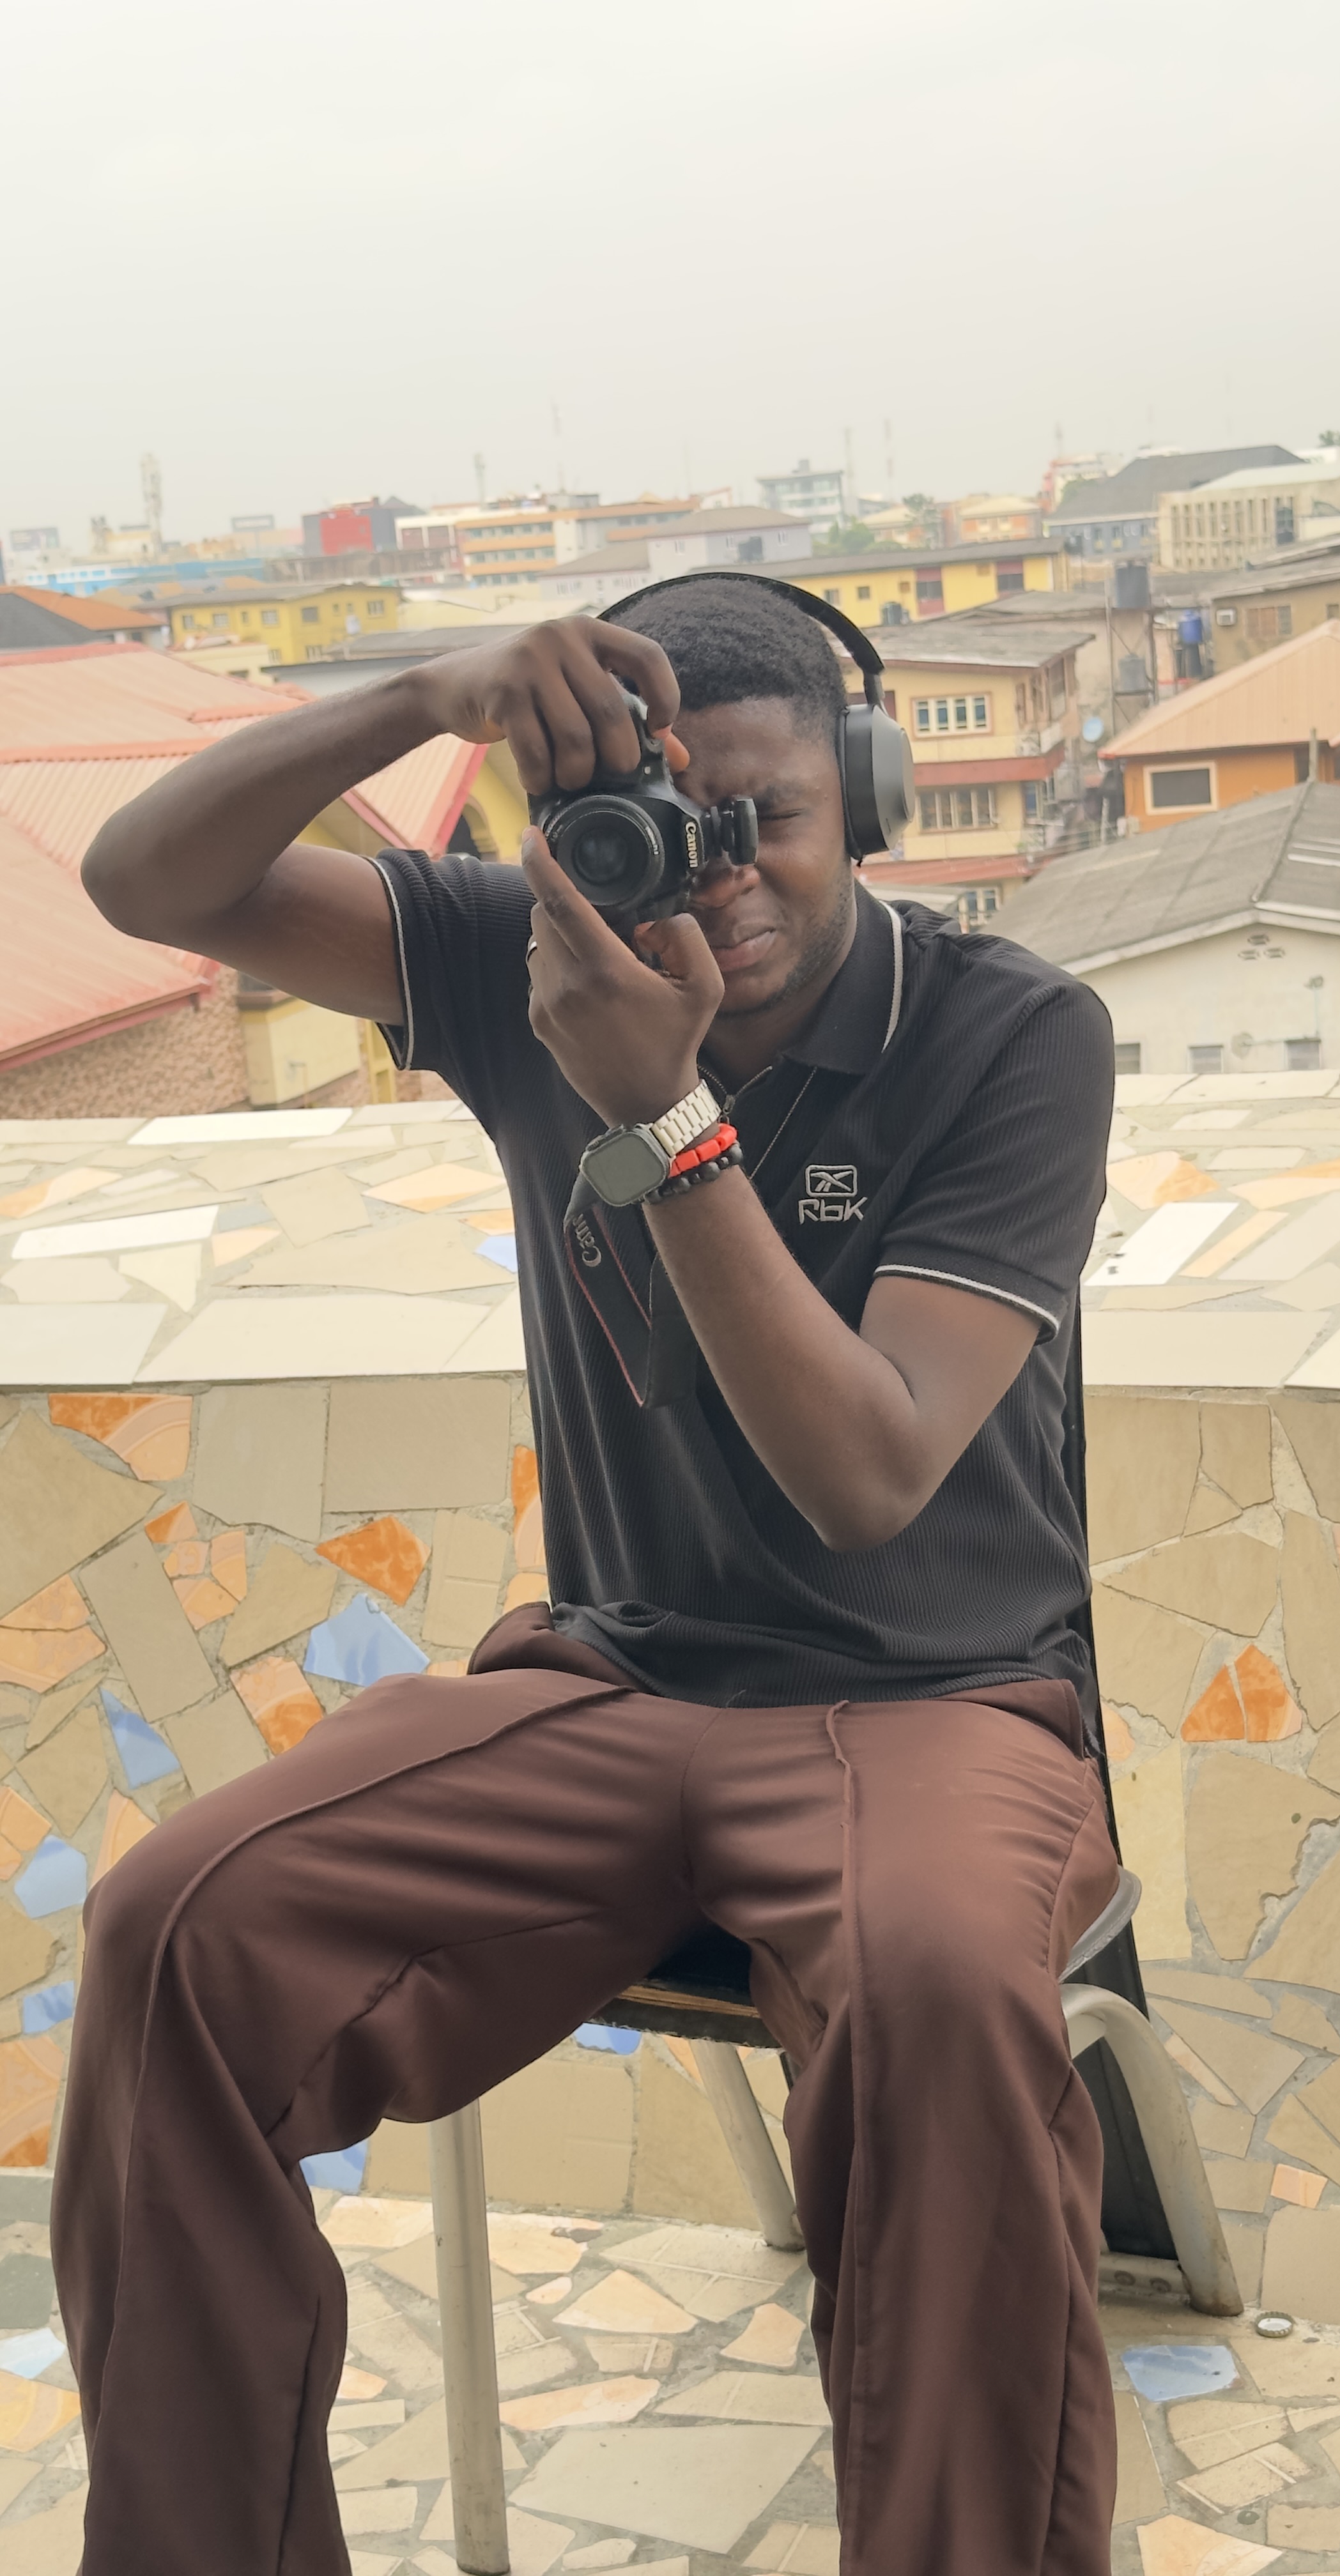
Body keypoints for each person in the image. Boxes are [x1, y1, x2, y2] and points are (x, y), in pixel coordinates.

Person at [57, 578, 1119, 2576]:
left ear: (866, 792)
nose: (711, 877)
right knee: (173, 1928)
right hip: (617, 1685)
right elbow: (143, 881)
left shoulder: (1008, 1034)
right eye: (649, 824)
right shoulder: (525, 959)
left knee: (936, 1992)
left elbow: (870, 1473)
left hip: (935, 1696)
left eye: (764, 817)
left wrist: (664, 1120)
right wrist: (418, 698)